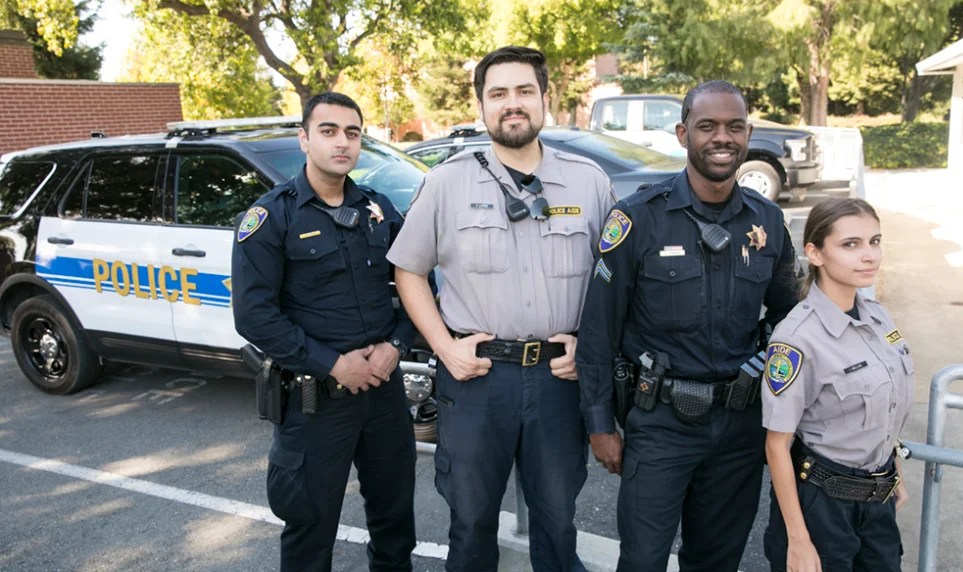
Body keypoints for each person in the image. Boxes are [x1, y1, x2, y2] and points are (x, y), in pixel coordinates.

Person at [387, 46, 616, 571]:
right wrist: (445, 349)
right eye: (498, 94)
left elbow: (614, 280)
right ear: (482, 106)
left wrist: (590, 345)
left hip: (559, 381)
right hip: (477, 380)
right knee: (470, 523)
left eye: (524, 91)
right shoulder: (446, 183)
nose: (512, 104)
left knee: (557, 520)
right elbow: (408, 270)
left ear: (544, 99)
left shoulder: (589, 182)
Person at [575, 80, 799, 571]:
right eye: (707, 126)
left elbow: (791, 318)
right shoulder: (637, 219)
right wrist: (599, 425)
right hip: (660, 424)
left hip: (739, 426)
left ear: (748, 134)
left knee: (717, 561)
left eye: (735, 127)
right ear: (683, 134)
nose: (723, 138)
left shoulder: (767, 222)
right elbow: (598, 330)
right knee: (643, 560)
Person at [232, 91, 417, 571]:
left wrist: (396, 346)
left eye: (352, 133)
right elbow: (253, 315)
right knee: (309, 527)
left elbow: (417, 283)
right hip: (316, 399)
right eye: (328, 131)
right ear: (304, 139)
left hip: (383, 390)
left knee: (396, 518)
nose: (342, 142)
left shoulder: (379, 209)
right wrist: (333, 363)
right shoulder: (272, 216)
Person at [762, 198, 913, 572]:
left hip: (878, 499)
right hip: (823, 507)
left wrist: (893, 471)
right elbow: (777, 445)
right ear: (815, 253)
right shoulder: (797, 339)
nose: (869, 255)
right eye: (851, 244)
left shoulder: (878, 316)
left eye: (874, 241)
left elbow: (888, 404)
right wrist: (799, 541)